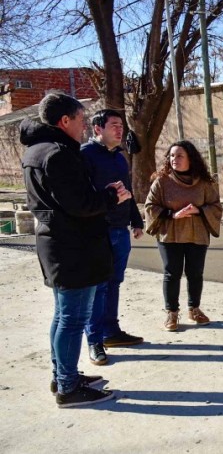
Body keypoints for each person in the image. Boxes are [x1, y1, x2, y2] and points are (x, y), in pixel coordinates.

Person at [21, 93, 131, 407]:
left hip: (58, 245)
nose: (85, 124)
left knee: (63, 316)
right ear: (64, 120)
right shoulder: (57, 154)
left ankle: (63, 375)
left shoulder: (37, 151)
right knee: (72, 318)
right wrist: (112, 197)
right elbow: (81, 205)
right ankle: (68, 388)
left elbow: (66, 201)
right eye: (82, 118)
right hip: (73, 248)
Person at [80, 109, 145, 367]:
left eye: (121, 125)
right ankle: (94, 340)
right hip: (98, 232)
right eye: (114, 125)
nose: (120, 130)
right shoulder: (85, 155)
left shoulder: (120, 157)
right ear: (98, 129)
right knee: (98, 287)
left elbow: (126, 189)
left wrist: (136, 219)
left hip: (120, 229)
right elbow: (83, 196)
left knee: (114, 283)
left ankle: (111, 331)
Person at [144, 140, 223, 332]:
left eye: (179, 156)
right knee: (172, 273)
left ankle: (194, 309)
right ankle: (172, 313)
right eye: (171, 156)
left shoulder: (205, 183)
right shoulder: (162, 181)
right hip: (170, 234)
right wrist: (173, 214)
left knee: (195, 273)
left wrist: (199, 209)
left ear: (190, 158)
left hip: (197, 235)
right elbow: (149, 206)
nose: (174, 159)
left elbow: (216, 206)